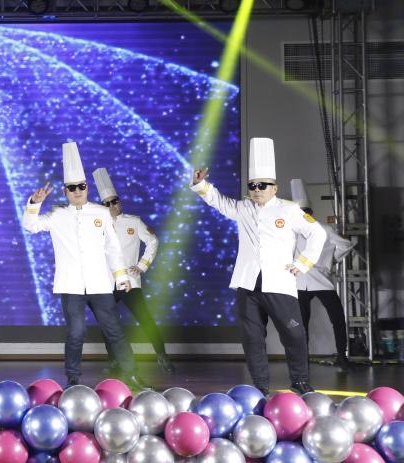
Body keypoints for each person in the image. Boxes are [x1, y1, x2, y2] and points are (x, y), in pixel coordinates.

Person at [190, 138, 326, 394]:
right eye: (252, 185)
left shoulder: (289, 210)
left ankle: (299, 381)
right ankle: (260, 386)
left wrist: (303, 263)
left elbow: (317, 233)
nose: (256, 189)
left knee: (294, 335)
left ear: (275, 188)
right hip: (248, 283)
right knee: (252, 339)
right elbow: (219, 201)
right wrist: (201, 185)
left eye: (262, 185)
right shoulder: (243, 208)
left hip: (279, 283)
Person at [22, 142, 148, 389]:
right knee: (76, 333)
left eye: (81, 186)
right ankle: (72, 378)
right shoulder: (57, 215)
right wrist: (34, 204)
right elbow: (31, 226)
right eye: (72, 187)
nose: (77, 191)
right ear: (65, 191)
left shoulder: (101, 213)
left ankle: (132, 374)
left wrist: (121, 276)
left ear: (87, 188)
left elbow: (113, 247)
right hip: (71, 286)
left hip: (100, 283)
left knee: (114, 330)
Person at [91, 167, 174, 374]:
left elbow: (153, 241)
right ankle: (114, 361)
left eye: (114, 201)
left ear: (119, 201)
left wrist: (142, 265)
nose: (112, 206)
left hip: (129, 281)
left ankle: (162, 356)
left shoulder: (133, 221)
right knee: (107, 324)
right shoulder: (96, 225)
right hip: (106, 283)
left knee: (145, 320)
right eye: (107, 203)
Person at [290, 179, 354, 371]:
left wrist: (329, 261)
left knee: (309, 323)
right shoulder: (318, 229)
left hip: (310, 281)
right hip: (308, 281)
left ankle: (333, 357)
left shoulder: (300, 232)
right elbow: (346, 245)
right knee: (333, 319)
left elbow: (346, 245)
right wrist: (330, 260)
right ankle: (339, 357)